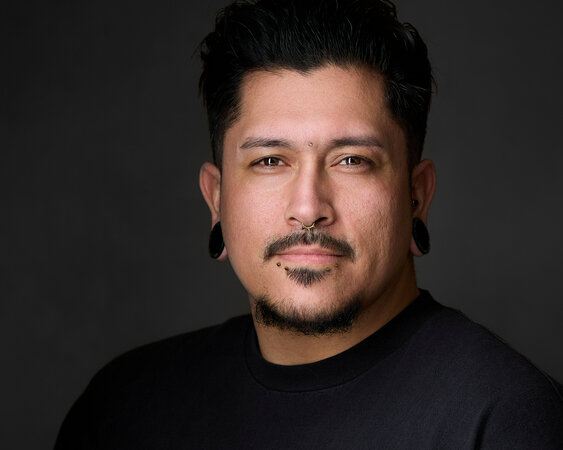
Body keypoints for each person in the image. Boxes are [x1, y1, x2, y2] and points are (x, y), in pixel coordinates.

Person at [55, 0, 563, 448]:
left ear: (417, 195)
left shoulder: (504, 418)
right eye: (270, 161)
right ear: (216, 199)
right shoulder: (121, 408)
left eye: (352, 160)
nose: (308, 207)